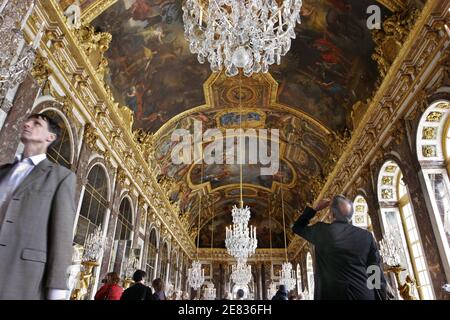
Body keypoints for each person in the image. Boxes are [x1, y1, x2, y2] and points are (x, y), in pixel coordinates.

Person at [0, 113, 77, 300]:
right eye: (27, 120)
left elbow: (62, 235)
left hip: (22, 276)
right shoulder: (3, 171)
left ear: (50, 137)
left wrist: (56, 291)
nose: (26, 124)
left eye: (36, 123)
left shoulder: (60, 177)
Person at [292, 195, 388, 300]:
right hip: (364, 294)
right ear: (351, 215)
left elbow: (297, 227)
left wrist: (315, 209)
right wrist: (380, 295)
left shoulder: (321, 231)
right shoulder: (366, 236)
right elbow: (374, 269)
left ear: (331, 214)